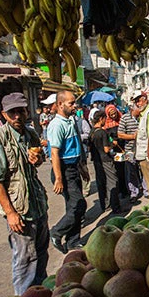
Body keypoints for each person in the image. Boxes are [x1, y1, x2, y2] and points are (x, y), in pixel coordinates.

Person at [0, 92, 49, 295]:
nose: (17, 116)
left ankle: (38, 296)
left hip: (37, 204)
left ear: (26, 111)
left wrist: (37, 159)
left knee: (41, 254)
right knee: (25, 259)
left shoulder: (30, 134)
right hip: (20, 211)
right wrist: (10, 213)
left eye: (20, 111)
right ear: (4, 114)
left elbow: (38, 161)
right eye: (12, 113)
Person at [47, 90, 88, 253]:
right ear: (59, 105)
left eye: (74, 102)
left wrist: (82, 168)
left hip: (73, 168)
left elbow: (76, 148)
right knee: (79, 205)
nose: (74, 106)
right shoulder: (56, 125)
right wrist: (58, 178)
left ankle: (73, 240)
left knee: (73, 206)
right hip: (63, 170)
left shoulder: (70, 120)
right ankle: (56, 232)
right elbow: (55, 153)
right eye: (71, 103)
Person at [89, 111, 121, 213]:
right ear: (101, 119)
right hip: (106, 160)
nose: (105, 120)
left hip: (96, 160)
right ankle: (115, 206)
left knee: (101, 183)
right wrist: (114, 144)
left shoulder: (92, 132)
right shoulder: (102, 132)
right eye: (104, 118)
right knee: (112, 182)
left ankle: (105, 205)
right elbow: (106, 149)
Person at [118, 103, 143, 202]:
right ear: (133, 109)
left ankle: (146, 190)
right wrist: (133, 137)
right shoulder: (125, 118)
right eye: (139, 108)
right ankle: (133, 192)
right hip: (129, 149)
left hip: (142, 148)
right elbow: (120, 134)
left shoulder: (143, 117)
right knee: (130, 171)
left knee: (144, 170)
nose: (140, 110)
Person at [104, 103, 128, 198]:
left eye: (115, 113)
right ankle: (122, 190)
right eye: (111, 114)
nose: (114, 116)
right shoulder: (106, 124)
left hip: (124, 147)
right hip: (115, 150)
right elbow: (106, 136)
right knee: (119, 170)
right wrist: (112, 141)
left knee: (127, 168)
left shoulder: (121, 120)